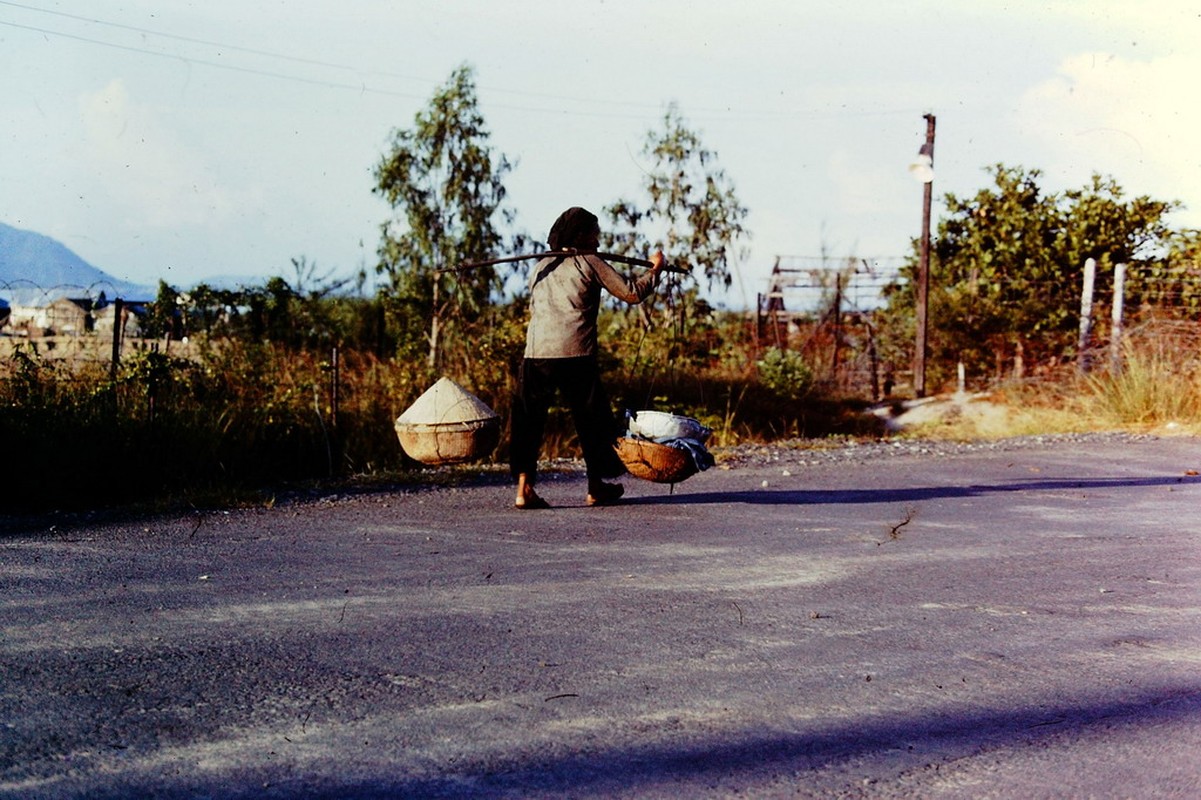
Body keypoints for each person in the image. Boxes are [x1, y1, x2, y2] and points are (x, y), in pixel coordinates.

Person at [510, 207, 666, 509]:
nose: (599, 238)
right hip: (575, 354)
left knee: (529, 420)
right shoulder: (590, 261)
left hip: (536, 353)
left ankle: (523, 489)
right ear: (581, 235)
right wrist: (655, 270)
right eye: (595, 232)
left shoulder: (541, 265)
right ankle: (596, 486)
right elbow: (632, 293)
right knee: (593, 422)